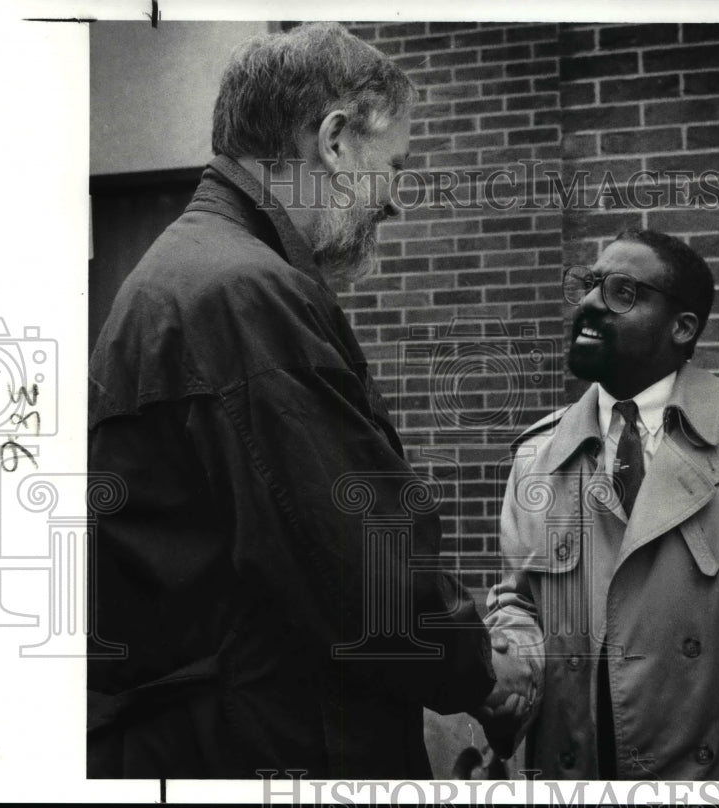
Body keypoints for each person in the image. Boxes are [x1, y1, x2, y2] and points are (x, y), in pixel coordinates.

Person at [86, 23, 496, 779]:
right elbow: (366, 582)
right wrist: (484, 668)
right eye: (394, 166)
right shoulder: (243, 292)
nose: (395, 201)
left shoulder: (197, 270)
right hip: (260, 750)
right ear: (335, 142)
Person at [482, 229, 719, 780]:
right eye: (590, 284)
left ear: (683, 326)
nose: (591, 303)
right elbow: (520, 603)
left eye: (623, 291)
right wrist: (512, 671)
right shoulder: (537, 457)